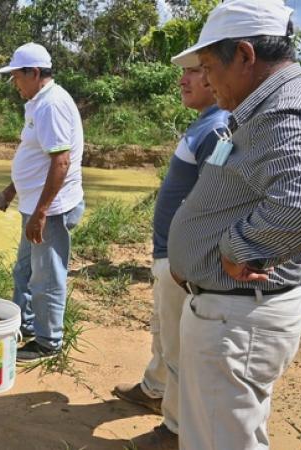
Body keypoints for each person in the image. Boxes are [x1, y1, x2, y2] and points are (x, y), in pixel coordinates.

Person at [134, 0, 301, 448]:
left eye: (209, 65)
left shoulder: (283, 111)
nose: (205, 78)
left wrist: (238, 246)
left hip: (238, 316)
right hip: (233, 312)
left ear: (246, 56)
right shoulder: (277, 104)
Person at [114, 65, 229, 448]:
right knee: (163, 331)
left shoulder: (217, 129)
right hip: (169, 255)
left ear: (217, 78)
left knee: (179, 345)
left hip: (182, 262)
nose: (184, 79)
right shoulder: (205, 123)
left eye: (196, 72)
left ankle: (175, 429)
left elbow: (216, 203)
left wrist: (187, 257)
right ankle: (154, 387)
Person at [0, 42, 85, 363]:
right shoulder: (37, 103)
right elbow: (33, 158)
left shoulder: (51, 106)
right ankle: (27, 326)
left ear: (33, 73)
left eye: (17, 76)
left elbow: (61, 162)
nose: (14, 83)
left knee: (46, 277)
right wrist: (10, 191)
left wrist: (42, 212)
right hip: (35, 207)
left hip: (51, 211)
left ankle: (48, 342)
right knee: (25, 270)